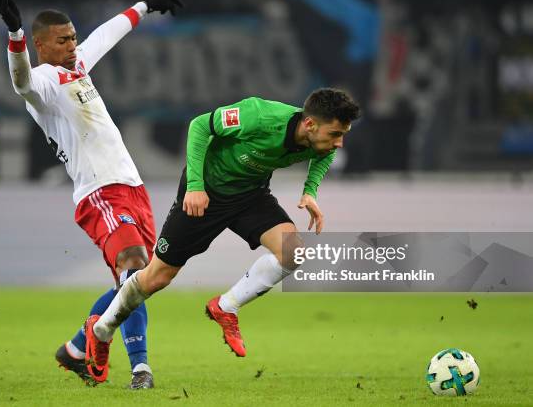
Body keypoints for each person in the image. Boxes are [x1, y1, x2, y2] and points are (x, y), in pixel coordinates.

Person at [82, 89, 360, 368]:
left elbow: (322, 154)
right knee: (156, 278)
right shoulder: (260, 115)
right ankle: (101, 330)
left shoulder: (319, 140)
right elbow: (200, 126)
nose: (339, 144)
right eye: (335, 134)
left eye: (342, 134)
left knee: (293, 252)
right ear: (310, 124)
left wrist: (310, 190)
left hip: (250, 196)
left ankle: (226, 307)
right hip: (205, 193)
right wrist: (195, 187)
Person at [0, 0, 183, 388]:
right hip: (98, 193)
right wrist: (14, 35)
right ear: (42, 45)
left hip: (132, 186)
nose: (72, 45)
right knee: (134, 267)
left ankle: (78, 346)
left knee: (143, 282)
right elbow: (21, 83)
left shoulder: (77, 63)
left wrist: (145, 5)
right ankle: (140, 369)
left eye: (73, 38)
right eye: (63, 40)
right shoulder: (43, 82)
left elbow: (106, 34)